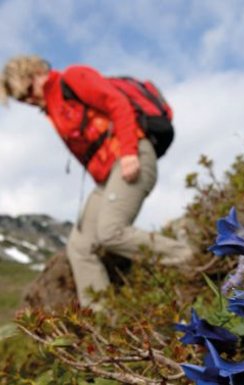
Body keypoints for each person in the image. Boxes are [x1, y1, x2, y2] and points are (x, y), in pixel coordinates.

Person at [0, 55, 194, 308]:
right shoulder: (53, 107)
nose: (28, 101)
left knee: (110, 232)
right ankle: (103, 319)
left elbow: (118, 104)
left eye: (26, 92)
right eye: (21, 100)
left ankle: (189, 258)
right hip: (108, 177)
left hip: (133, 154)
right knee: (79, 246)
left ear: (35, 73)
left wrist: (128, 153)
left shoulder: (73, 77)